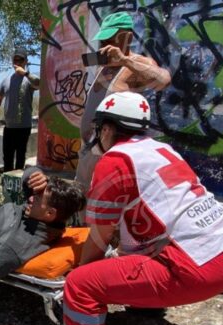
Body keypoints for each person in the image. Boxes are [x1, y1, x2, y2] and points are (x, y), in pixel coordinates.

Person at [46, 92, 223, 325]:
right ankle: (146, 308)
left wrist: (80, 279)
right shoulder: (162, 149)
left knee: (81, 284)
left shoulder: (114, 161)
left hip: (196, 268)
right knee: (136, 251)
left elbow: (99, 235)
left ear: (107, 128)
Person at [76, 11, 171, 191]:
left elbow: (163, 80)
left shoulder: (136, 64)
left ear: (126, 37)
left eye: (109, 40)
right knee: (81, 204)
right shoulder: (103, 67)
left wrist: (125, 60)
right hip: (89, 153)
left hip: (111, 155)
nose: (104, 45)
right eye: (102, 41)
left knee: (105, 206)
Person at [0, 48, 40, 172]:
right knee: (7, 157)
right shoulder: (6, 80)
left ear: (26, 61)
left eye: (20, 59)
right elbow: (0, 96)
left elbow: (39, 84)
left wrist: (25, 73)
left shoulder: (28, 80)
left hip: (24, 126)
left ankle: (18, 184)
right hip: (9, 126)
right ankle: (7, 183)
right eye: (15, 59)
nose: (17, 62)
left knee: (20, 158)